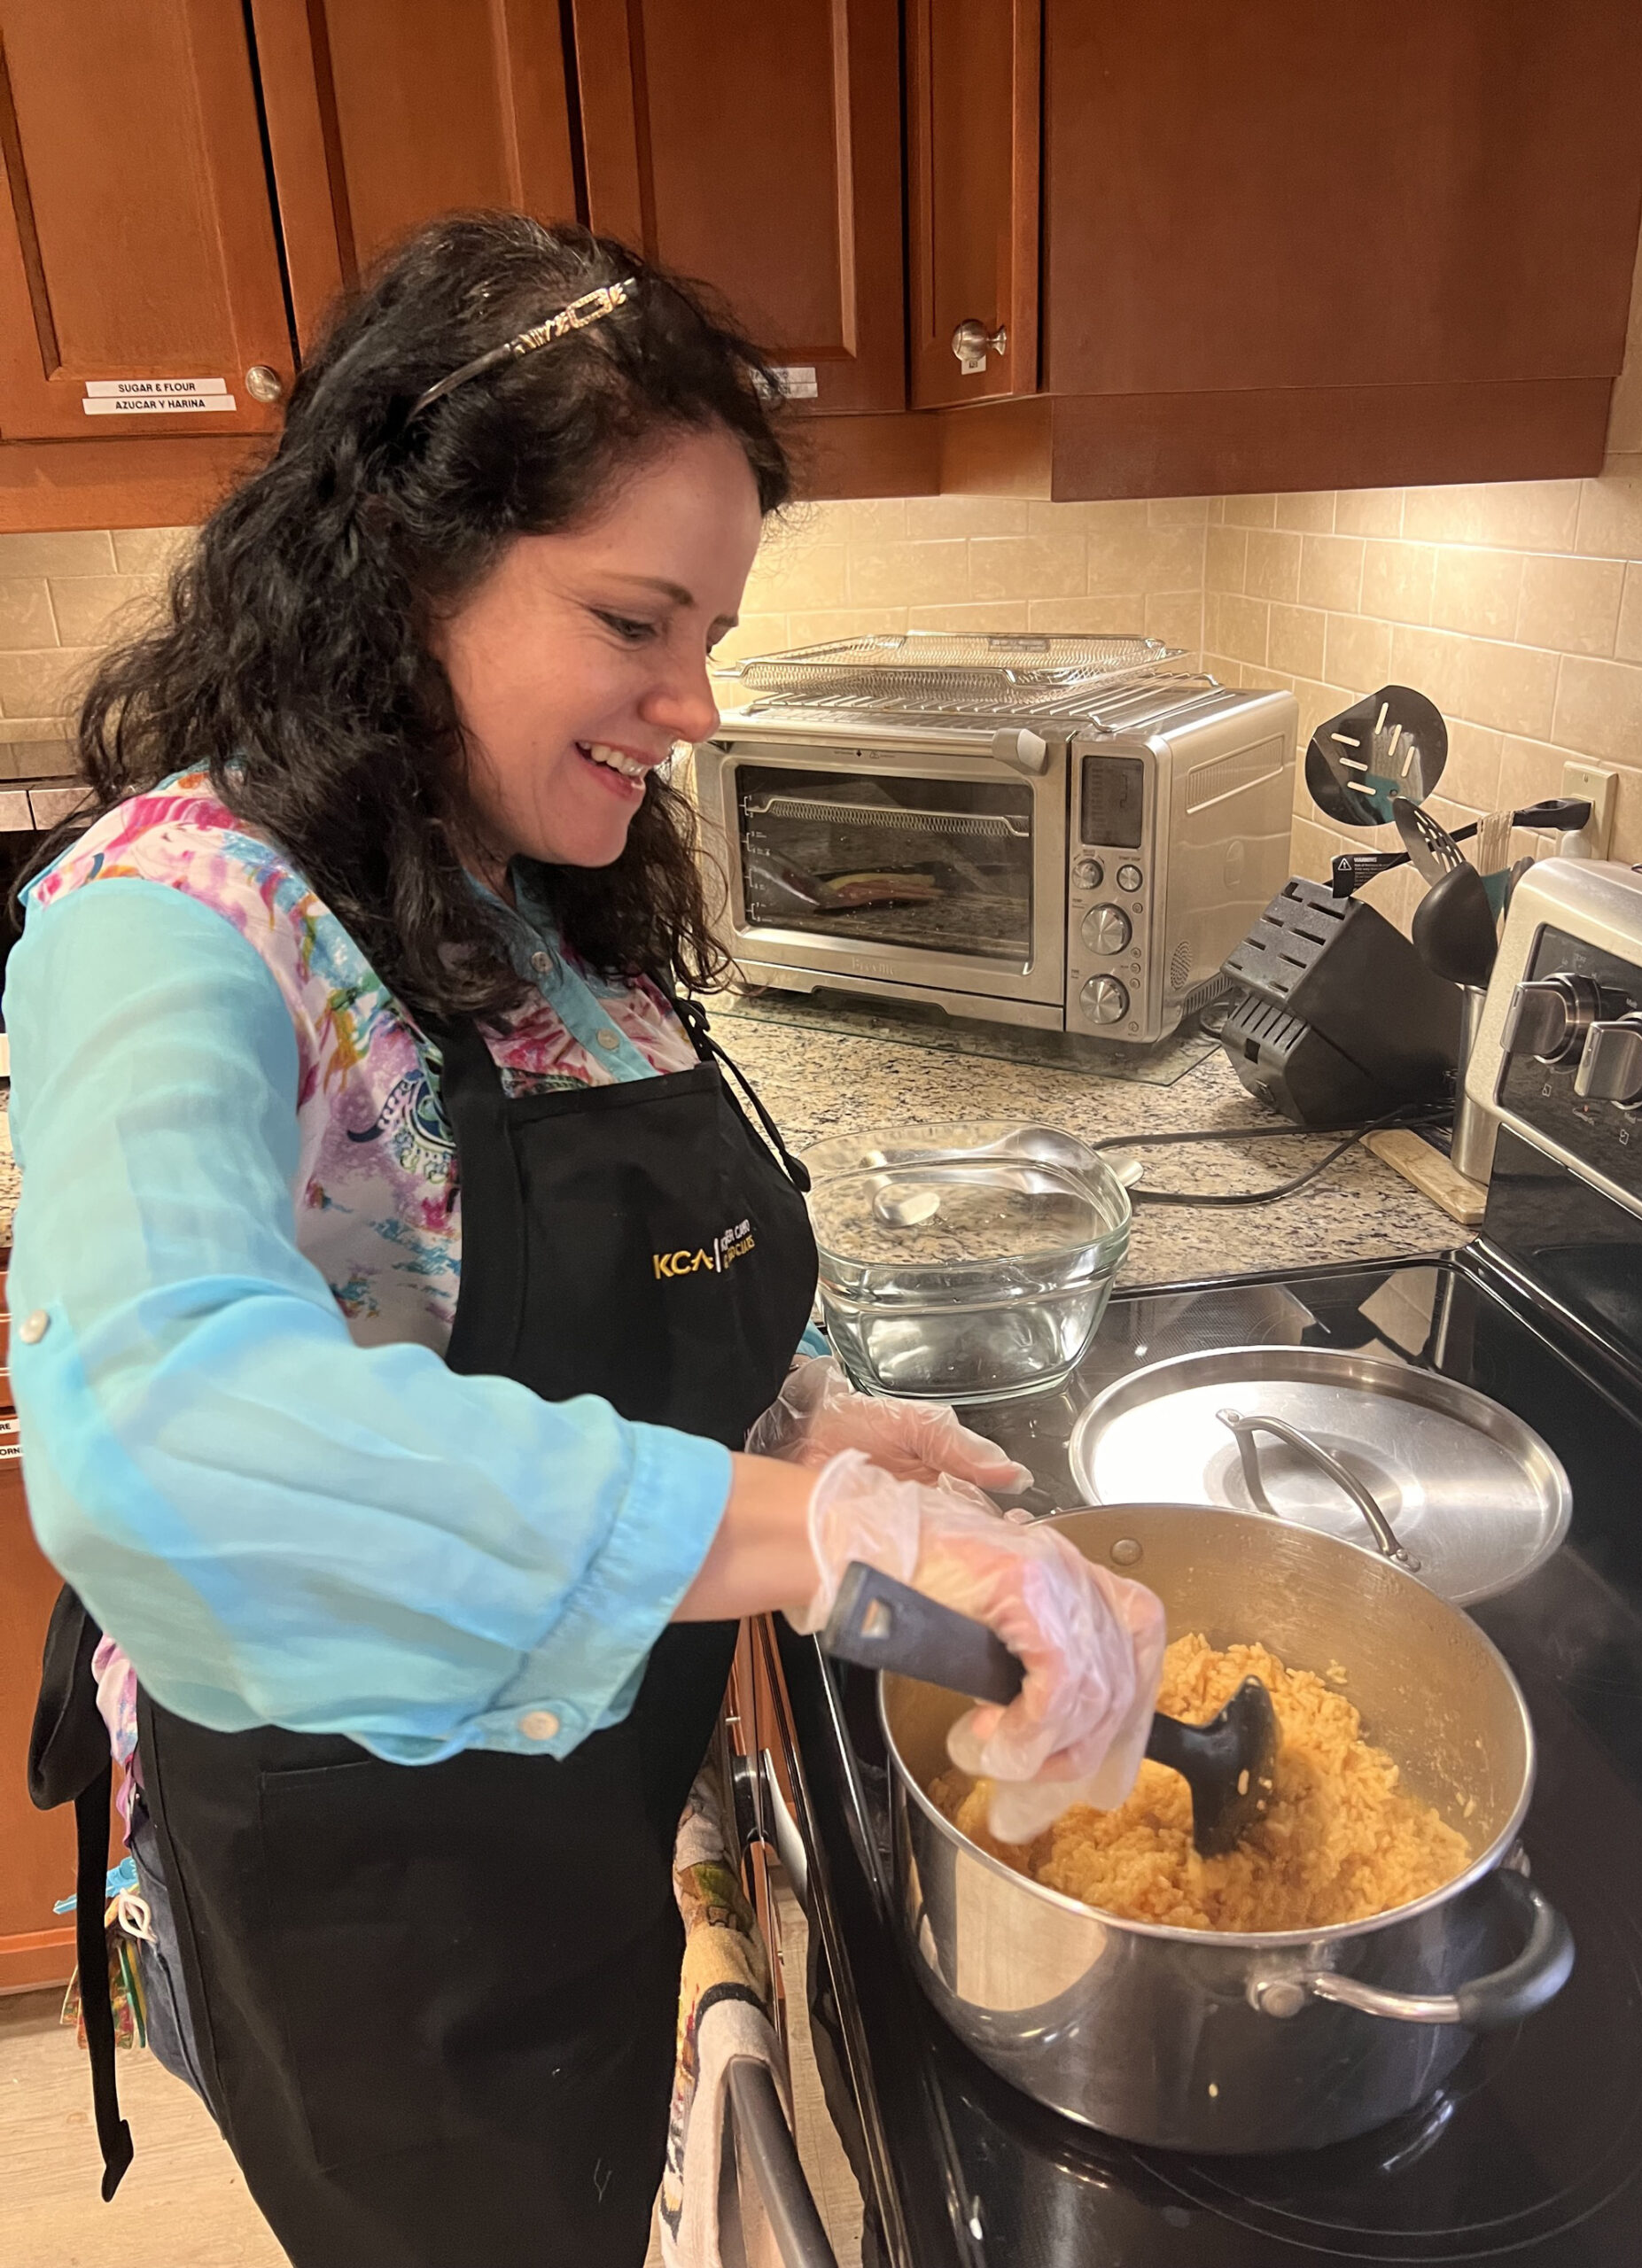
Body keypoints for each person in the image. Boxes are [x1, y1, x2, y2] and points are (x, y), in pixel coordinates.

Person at [9, 215, 1165, 2268]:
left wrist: (815, 1430)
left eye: (711, 627)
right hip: (382, 1875)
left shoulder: (519, 872)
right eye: (638, 618)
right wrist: (814, 1544)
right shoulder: (174, 928)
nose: (694, 701)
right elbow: (158, 1429)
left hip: (588, 1791)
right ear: (405, 562)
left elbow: (579, 1297)